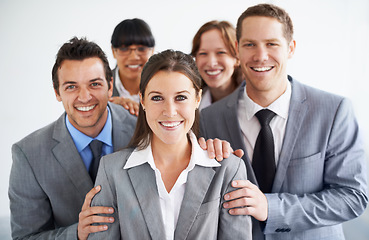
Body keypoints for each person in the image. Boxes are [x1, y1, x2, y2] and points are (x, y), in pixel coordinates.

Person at [9, 37, 238, 240]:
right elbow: (25, 236)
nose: (85, 96)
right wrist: (77, 234)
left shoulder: (151, 128)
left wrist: (212, 149)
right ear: (57, 92)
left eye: (95, 84)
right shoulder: (28, 154)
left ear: (111, 87)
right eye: (71, 87)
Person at [200, 3, 368, 240]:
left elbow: (352, 197)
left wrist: (271, 208)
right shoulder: (209, 118)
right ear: (237, 49)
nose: (260, 56)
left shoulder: (334, 111)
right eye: (250, 44)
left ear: (290, 48)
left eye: (271, 44)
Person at [89, 50, 252, 239]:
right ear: (142, 100)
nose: (170, 111)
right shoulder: (112, 171)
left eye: (181, 97)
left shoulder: (228, 169)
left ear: (197, 98)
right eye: (157, 98)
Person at [191, 20, 243, 110]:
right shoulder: (190, 104)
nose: (211, 63)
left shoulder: (256, 99)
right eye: (203, 53)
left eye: (221, 52)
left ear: (237, 58)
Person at [109, 18, 155, 116]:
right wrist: (108, 107)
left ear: (152, 51)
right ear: (113, 51)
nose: (134, 57)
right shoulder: (99, 85)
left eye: (141, 49)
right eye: (124, 49)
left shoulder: (164, 84)